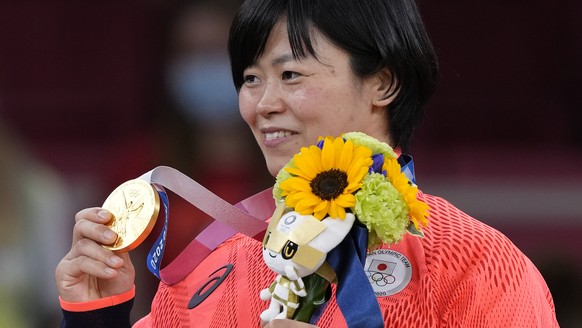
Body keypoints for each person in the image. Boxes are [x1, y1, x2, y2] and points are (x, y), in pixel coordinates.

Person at [55, 0, 559, 327]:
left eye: (290, 74)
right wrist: (97, 313)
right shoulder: (218, 271)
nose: (262, 103)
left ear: (382, 82)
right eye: (250, 79)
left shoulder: (471, 263)